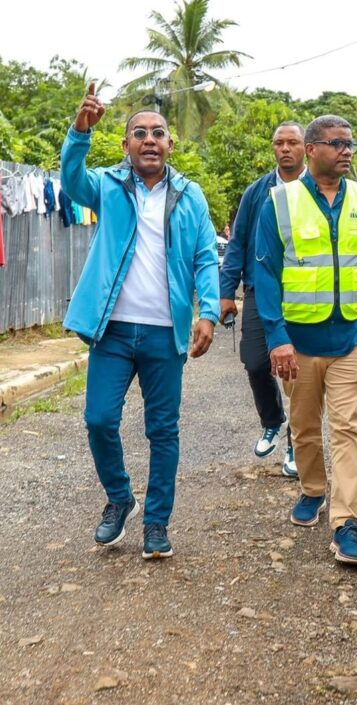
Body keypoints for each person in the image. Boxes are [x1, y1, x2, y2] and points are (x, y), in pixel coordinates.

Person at [61, 83, 220, 560]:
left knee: (162, 430)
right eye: (139, 133)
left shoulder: (190, 195)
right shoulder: (107, 186)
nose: (149, 139)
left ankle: (156, 523)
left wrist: (209, 311)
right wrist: (79, 132)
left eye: (158, 133)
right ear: (126, 144)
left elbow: (205, 256)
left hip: (164, 333)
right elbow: (72, 181)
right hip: (111, 330)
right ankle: (119, 497)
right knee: (99, 419)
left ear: (170, 143)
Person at [254, 115, 357, 566]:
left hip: (355, 336)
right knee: (303, 427)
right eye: (337, 143)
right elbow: (265, 273)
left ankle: (346, 523)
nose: (346, 150)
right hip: (297, 342)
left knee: (350, 428)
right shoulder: (279, 202)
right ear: (312, 149)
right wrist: (276, 337)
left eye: (350, 143)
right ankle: (313, 489)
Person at [219, 122, 306, 476]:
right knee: (256, 362)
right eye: (278, 143)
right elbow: (238, 242)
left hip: (303, 292)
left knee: (299, 374)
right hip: (259, 288)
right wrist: (227, 292)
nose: (285, 148)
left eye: (292, 142)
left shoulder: (317, 190)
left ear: (306, 147)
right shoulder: (257, 192)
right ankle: (272, 420)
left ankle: (296, 445)